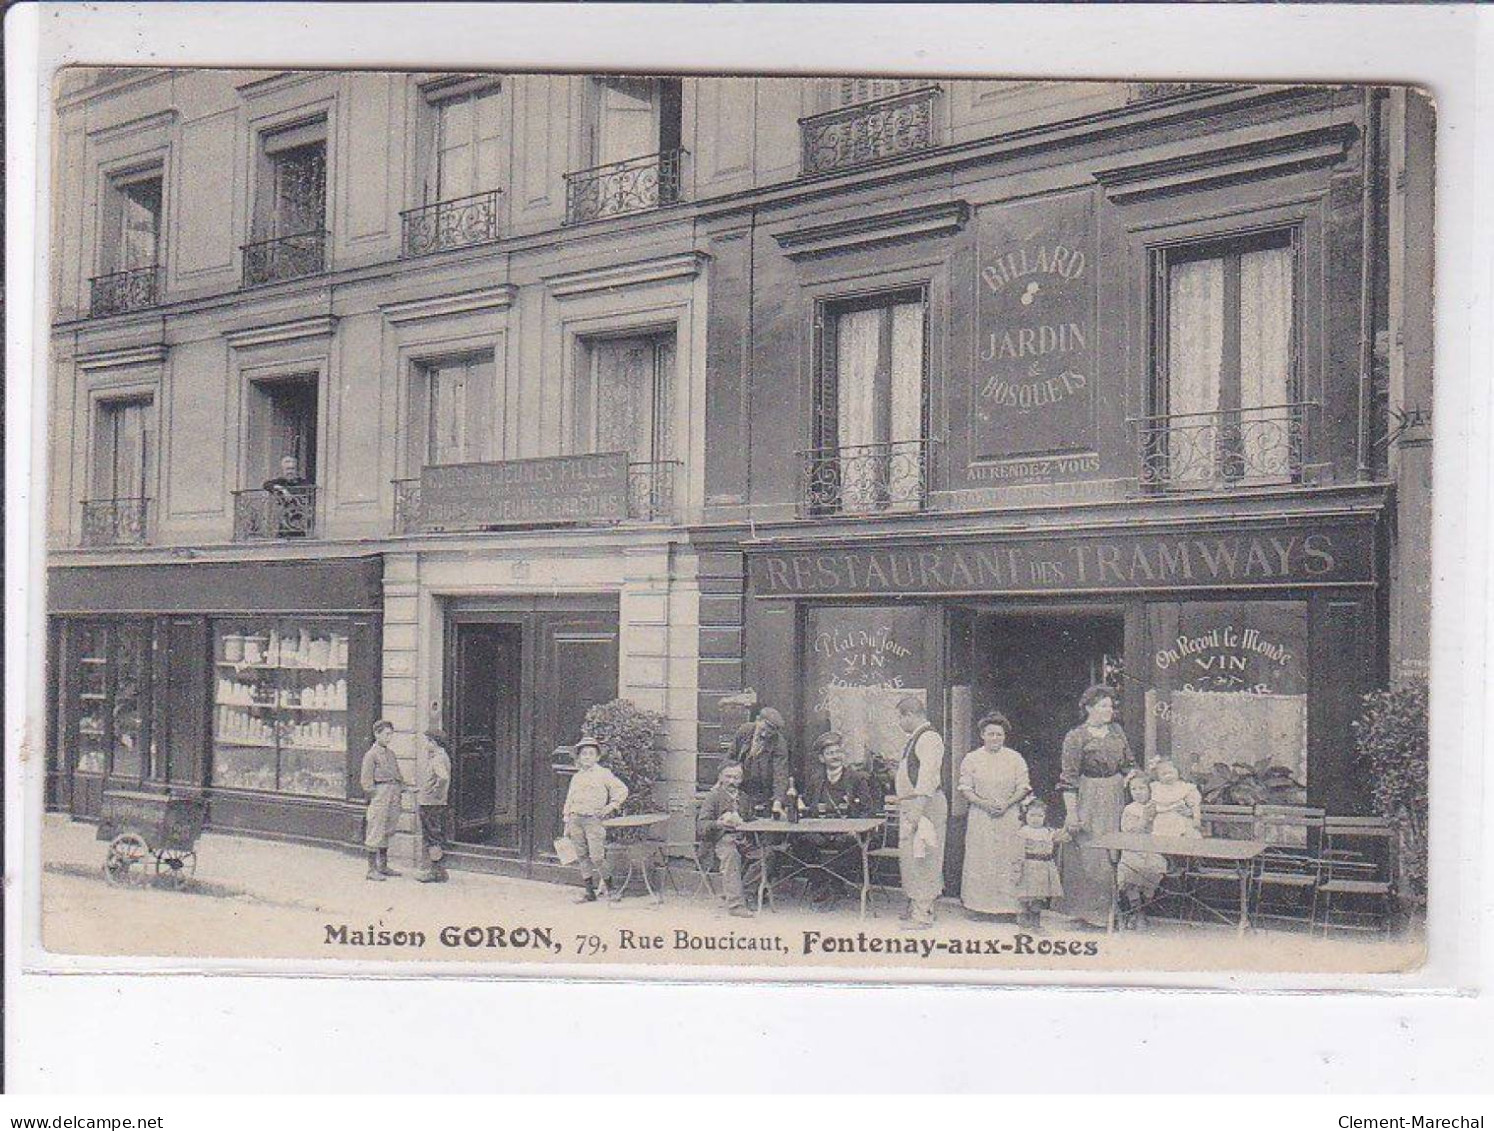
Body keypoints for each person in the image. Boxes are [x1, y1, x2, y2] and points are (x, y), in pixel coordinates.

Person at [1057, 685, 1134, 927]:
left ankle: (1111, 912)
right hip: (1088, 797)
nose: (1109, 710)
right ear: (1089, 708)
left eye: (1111, 706)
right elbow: (1068, 778)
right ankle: (1087, 914)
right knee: (1088, 853)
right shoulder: (1076, 736)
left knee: (1113, 852)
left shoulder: (1117, 732)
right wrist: (1072, 813)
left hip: (1115, 796)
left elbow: (1129, 763)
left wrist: (1131, 777)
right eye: (1103, 706)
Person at [957, 711, 1032, 918]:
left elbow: (1023, 787)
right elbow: (965, 788)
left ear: (1004, 736)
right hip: (981, 816)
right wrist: (985, 804)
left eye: (999, 735)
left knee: (1007, 858)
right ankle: (979, 907)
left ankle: (1008, 908)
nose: (995, 738)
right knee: (982, 859)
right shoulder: (972, 759)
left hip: (1008, 815)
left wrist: (1007, 803)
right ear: (982, 735)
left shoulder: (1014, 758)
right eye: (990, 734)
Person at [803, 731, 879, 905]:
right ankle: (822, 886)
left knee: (846, 845)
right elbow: (808, 808)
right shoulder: (816, 780)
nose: (835, 756)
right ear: (822, 758)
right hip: (822, 833)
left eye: (838, 752)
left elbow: (868, 810)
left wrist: (855, 829)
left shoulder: (856, 779)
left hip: (849, 834)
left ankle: (831, 890)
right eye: (830, 753)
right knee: (803, 843)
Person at [892, 695, 948, 930]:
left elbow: (927, 777)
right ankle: (919, 905)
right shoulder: (916, 739)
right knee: (913, 858)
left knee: (923, 857)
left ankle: (923, 913)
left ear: (910, 715)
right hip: (914, 804)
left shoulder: (929, 738)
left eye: (900, 718)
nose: (899, 723)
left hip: (925, 806)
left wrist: (916, 811)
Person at [561, 737, 629, 902]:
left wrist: (611, 806)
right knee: (582, 856)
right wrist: (567, 820)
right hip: (576, 819)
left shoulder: (603, 774)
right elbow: (570, 799)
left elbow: (621, 789)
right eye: (584, 754)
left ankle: (611, 889)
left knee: (597, 857)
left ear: (597, 757)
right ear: (579, 757)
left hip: (593, 820)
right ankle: (589, 892)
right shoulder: (577, 777)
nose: (587, 757)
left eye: (591, 754)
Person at [696, 762, 758, 918]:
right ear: (720, 777)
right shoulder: (713, 797)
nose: (732, 781)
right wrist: (719, 823)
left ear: (741, 779)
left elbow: (751, 820)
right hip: (718, 841)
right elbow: (701, 826)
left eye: (736, 777)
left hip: (743, 840)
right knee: (731, 855)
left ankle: (743, 893)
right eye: (728, 776)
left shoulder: (744, 798)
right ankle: (736, 905)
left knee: (767, 856)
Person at [1116, 774, 1167, 927]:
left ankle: (1142, 911)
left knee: (1153, 871)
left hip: (1152, 849)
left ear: (1150, 790)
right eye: (1134, 789)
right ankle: (1136, 912)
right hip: (1133, 849)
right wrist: (1144, 818)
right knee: (1130, 874)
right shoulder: (1129, 809)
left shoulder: (1158, 806)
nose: (1138, 792)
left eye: (1142, 788)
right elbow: (1129, 831)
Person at [360, 719, 406, 881]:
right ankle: (371, 869)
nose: (389, 737)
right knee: (376, 828)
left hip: (393, 792)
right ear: (376, 734)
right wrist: (375, 795)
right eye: (386, 734)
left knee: (388, 827)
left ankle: (383, 866)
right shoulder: (371, 755)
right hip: (381, 793)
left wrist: (403, 788)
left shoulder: (390, 754)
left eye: (391, 734)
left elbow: (397, 774)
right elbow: (366, 781)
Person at [1016, 798, 1069, 930]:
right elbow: (1017, 851)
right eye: (1032, 815)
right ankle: (1023, 924)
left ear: (1045, 817)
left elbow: (1063, 837)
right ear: (1025, 816)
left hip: (1044, 867)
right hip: (1029, 866)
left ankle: (1036, 924)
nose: (1036, 819)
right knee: (1025, 896)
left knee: (1038, 897)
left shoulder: (1047, 832)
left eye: (1040, 815)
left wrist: (1067, 827)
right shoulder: (1023, 832)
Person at [728, 705, 791, 816]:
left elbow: (780, 774)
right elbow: (730, 758)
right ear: (757, 720)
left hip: (763, 791)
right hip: (741, 787)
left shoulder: (779, 743)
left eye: (770, 732)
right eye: (763, 729)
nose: (765, 734)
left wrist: (777, 801)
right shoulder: (744, 731)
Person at [416, 730, 452, 883]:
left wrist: (434, 793)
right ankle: (439, 871)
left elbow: (443, 778)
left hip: (430, 803)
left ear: (434, 743)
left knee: (432, 837)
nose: (426, 744)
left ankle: (435, 871)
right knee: (435, 835)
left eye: (428, 741)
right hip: (434, 802)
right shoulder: (441, 756)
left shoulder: (437, 759)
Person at [1148, 758, 1203, 839]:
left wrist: (1196, 818)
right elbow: (1152, 805)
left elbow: (1194, 804)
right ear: (1158, 776)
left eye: (1171, 772)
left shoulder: (1184, 787)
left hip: (1179, 817)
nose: (1168, 776)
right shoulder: (1156, 788)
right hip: (1161, 821)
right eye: (1164, 774)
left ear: (1177, 772)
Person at [262, 455, 312, 538]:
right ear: (283, 471)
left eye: (292, 469)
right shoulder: (281, 482)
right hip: (284, 521)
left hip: (299, 520)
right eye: (287, 469)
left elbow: (310, 491)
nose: (290, 472)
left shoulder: (303, 483)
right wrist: (281, 489)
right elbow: (266, 485)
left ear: (296, 470)